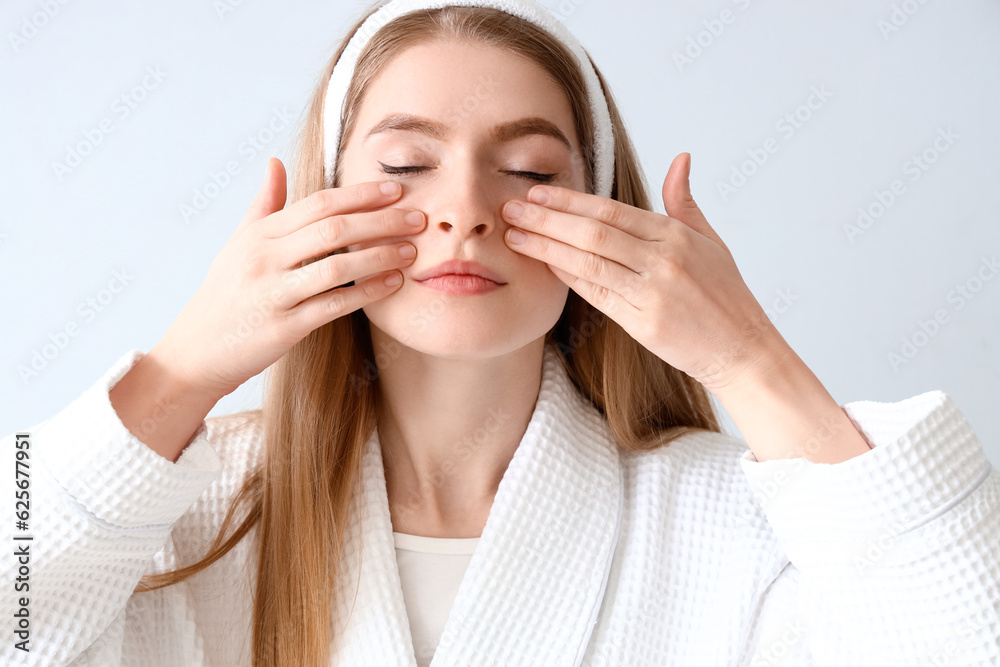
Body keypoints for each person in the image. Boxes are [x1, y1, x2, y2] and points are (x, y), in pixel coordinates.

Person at [3, 0, 998, 665]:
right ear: (317, 201)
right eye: (403, 163)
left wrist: (749, 359)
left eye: (529, 170)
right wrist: (187, 367)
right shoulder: (197, 510)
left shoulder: (726, 519)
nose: (466, 208)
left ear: (609, 214)